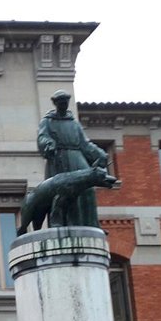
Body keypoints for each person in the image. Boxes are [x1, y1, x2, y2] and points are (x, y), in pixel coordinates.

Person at [36, 90, 109, 228]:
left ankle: (90, 224)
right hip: (59, 160)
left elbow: (85, 144)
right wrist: (48, 144)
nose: (63, 104)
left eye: (65, 102)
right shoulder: (47, 121)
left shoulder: (74, 123)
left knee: (87, 189)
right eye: (60, 102)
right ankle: (63, 224)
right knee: (62, 192)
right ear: (55, 103)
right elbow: (42, 137)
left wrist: (99, 153)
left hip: (77, 158)